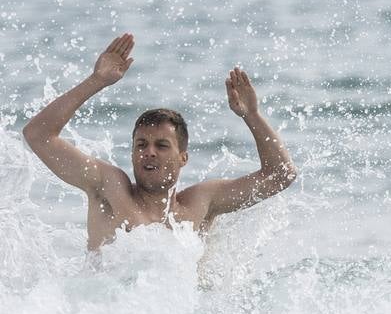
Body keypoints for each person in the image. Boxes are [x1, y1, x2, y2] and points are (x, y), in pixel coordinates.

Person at [22, 33, 298, 250]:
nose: (149, 152)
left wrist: (252, 115)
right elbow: (38, 135)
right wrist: (96, 81)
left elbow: (281, 175)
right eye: (141, 145)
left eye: (161, 145)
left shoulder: (200, 204)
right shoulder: (109, 188)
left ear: (183, 157)